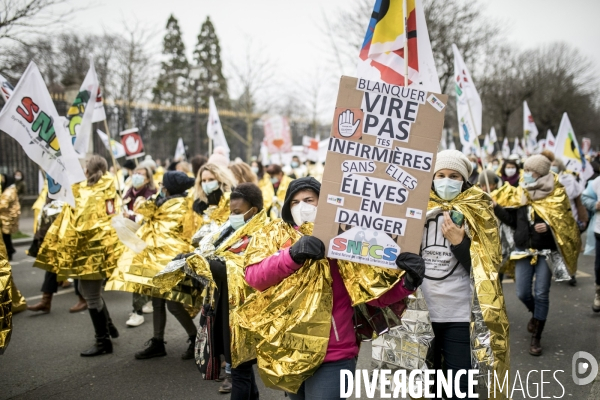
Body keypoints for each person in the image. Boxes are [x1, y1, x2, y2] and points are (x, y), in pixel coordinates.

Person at [238, 177, 423, 398]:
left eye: (309, 200)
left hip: (334, 353)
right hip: (288, 350)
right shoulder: (275, 234)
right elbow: (254, 276)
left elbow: (372, 296)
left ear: (325, 202)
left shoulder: (346, 239)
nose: (302, 207)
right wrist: (292, 255)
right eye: (295, 202)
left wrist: (408, 283)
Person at [415, 149, 509, 398]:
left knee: (460, 387)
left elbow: (488, 270)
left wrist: (460, 242)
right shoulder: (415, 207)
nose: (446, 180)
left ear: (464, 179)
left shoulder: (478, 209)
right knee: (427, 383)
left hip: (459, 311)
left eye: (454, 176)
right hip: (421, 312)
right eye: (441, 175)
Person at [160, 183, 266, 396]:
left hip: (242, 312)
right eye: (231, 211)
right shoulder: (230, 230)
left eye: (237, 212)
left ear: (252, 211)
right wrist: (191, 258)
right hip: (223, 306)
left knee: (239, 370)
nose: (232, 215)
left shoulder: (261, 234)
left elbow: (236, 269)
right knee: (240, 369)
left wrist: (203, 262)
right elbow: (213, 255)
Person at [34, 155, 124, 357]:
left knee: (91, 296)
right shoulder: (106, 187)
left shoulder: (85, 192)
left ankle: (103, 342)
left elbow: (82, 224)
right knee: (91, 292)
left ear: (87, 171)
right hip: (99, 251)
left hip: (89, 254)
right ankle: (109, 328)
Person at [106, 171, 200, 360]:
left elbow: (185, 235)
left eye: (163, 184)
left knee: (173, 304)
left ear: (169, 187)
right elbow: (147, 217)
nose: (161, 186)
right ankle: (158, 341)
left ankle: (195, 338)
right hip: (155, 260)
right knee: (157, 302)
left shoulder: (183, 206)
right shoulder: (161, 203)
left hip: (171, 262)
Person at [493, 154, 580, 356]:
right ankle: (536, 315)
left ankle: (537, 337)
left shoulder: (556, 194)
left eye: (530, 171)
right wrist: (496, 207)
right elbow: (513, 222)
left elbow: (565, 225)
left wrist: (549, 227)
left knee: (542, 293)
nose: (526, 174)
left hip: (546, 252)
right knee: (522, 292)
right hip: (523, 250)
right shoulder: (522, 192)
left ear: (540, 173)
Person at [121, 165, 158, 327]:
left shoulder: (152, 195)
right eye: (135, 173)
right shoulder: (128, 192)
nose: (136, 176)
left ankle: (137, 312)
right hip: (130, 237)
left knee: (139, 274)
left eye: (141, 174)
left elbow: (148, 218)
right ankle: (146, 302)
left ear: (148, 179)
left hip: (146, 240)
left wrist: (130, 216)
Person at [192, 163, 236, 235]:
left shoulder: (231, 199)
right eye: (204, 180)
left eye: (211, 179)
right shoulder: (199, 204)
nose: (207, 183)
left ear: (220, 180)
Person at [0, 175, 20, 261]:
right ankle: (9, 251)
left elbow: (3, 204)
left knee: (6, 236)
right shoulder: (10, 190)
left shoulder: (9, 191)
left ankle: (9, 251)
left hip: (7, 218)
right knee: (6, 236)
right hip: (7, 217)